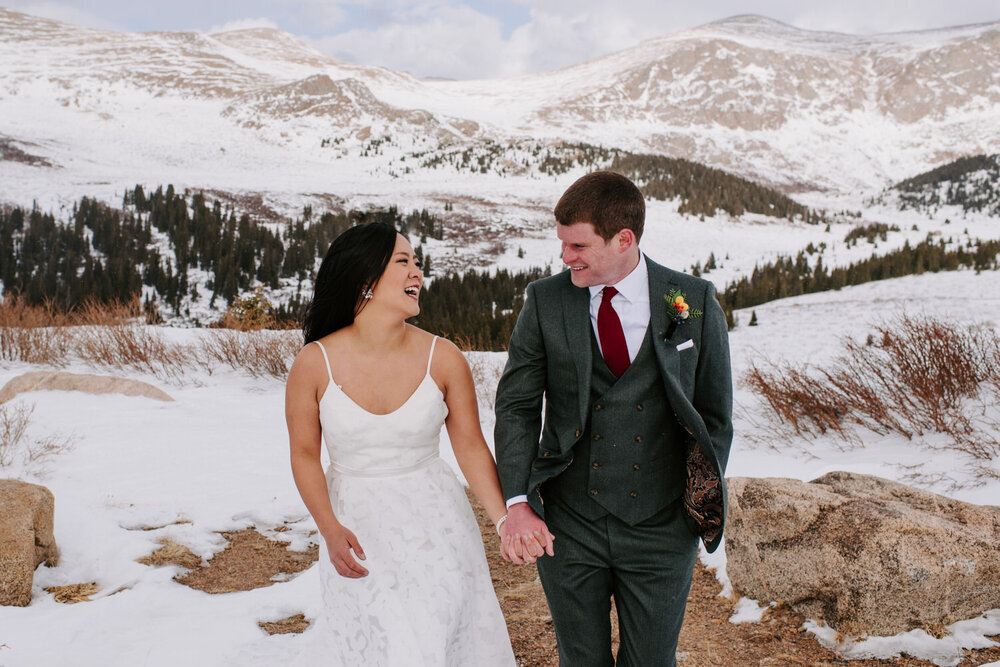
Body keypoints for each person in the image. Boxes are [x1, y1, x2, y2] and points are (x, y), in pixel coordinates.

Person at [494, 171, 733, 666]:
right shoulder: (545, 300)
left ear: (625, 239)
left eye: (578, 245)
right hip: (568, 524)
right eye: (562, 244)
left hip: (662, 529)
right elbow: (517, 406)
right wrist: (517, 502)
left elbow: (714, 415)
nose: (566, 258)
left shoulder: (692, 301)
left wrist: (693, 500)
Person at [285, 221, 519, 666]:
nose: (418, 273)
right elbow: (303, 455)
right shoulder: (313, 364)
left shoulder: (444, 357)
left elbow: (469, 446)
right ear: (366, 279)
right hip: (357, 525)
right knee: (378, 642)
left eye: (417, 262)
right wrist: (329, 529)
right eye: (403, 261)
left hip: (438, 524)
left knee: (439, 634)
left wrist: (503, 519)